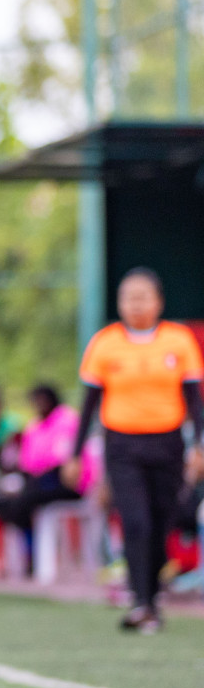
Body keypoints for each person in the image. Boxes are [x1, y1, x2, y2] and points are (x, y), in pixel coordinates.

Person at [66, 268, 204, 633]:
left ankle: (151, 592)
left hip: (168, 444)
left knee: (162, 520)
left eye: (143, 296)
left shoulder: (179, 340)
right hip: (123, 445)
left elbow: (194, 400)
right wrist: (76, 453)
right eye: (128, 296)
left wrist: (199, 446)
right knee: (136, 520)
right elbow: (89, 404)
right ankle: (141, 601)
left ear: (159, 301)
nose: (136, 304)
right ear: (119, 302)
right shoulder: (105, 343)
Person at [0, 384, 81, 552]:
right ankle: (28, 548)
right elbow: (26, 461)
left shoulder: (67, 419)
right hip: (36, 480)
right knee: (2, 499)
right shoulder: (35, 426)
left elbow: (62, 457)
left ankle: (33, 551)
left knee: (26, 500)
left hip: (64, 481)